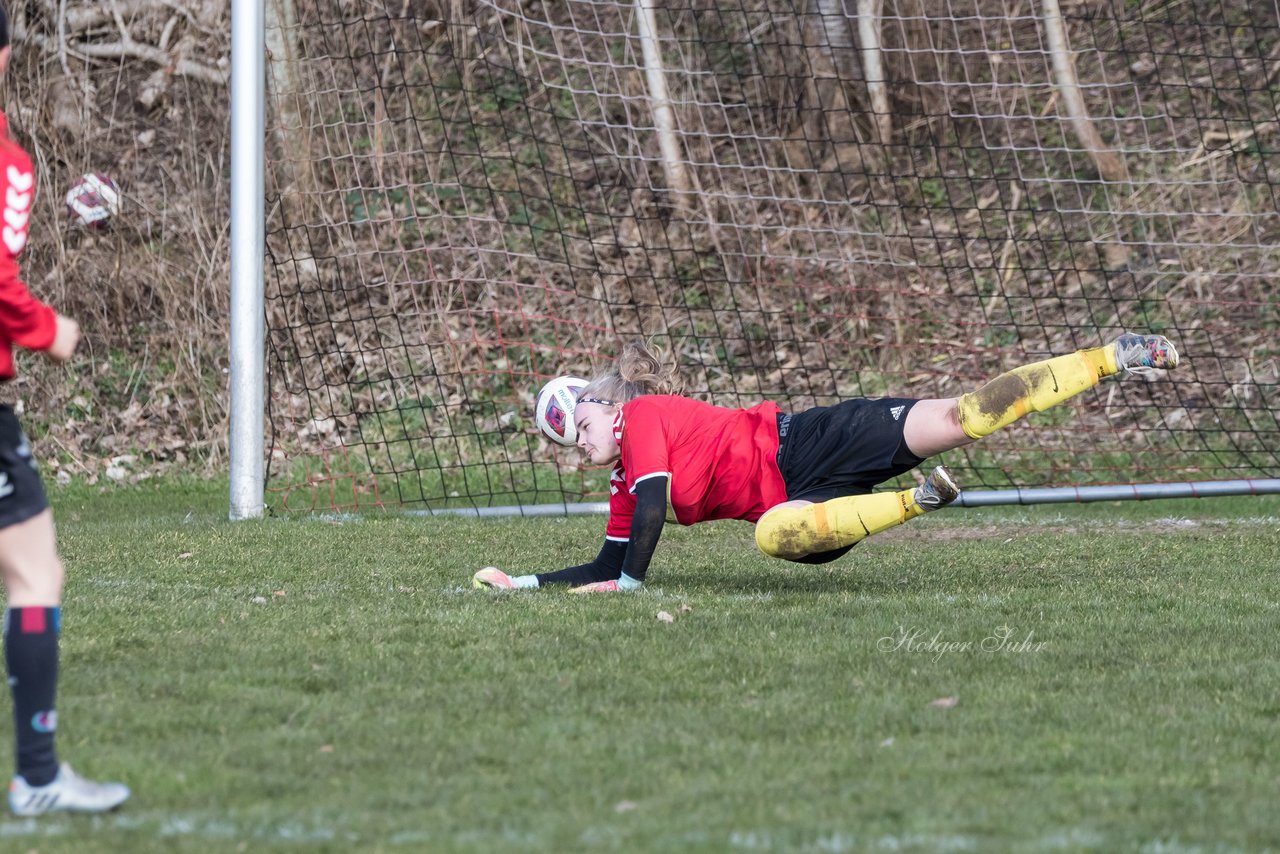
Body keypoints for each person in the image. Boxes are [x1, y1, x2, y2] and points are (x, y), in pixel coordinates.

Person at [473, 332, 1179, 593]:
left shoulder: (645, 419)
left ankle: (1113, 356)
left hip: (807, 443)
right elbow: (607, 561)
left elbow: (649, 520)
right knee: (772, 536)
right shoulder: (623, 479)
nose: (578, 438)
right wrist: (522, 582)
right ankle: (917, 501)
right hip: (807, 512)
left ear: (605, 402)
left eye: (580, 420)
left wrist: (630, 586)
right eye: (564, 435)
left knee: (966, 417)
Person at [0, 5, 130, 815]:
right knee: (36, 572)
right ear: (7, 56)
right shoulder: (9, 164)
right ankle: (39, 776)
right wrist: (49, 329)